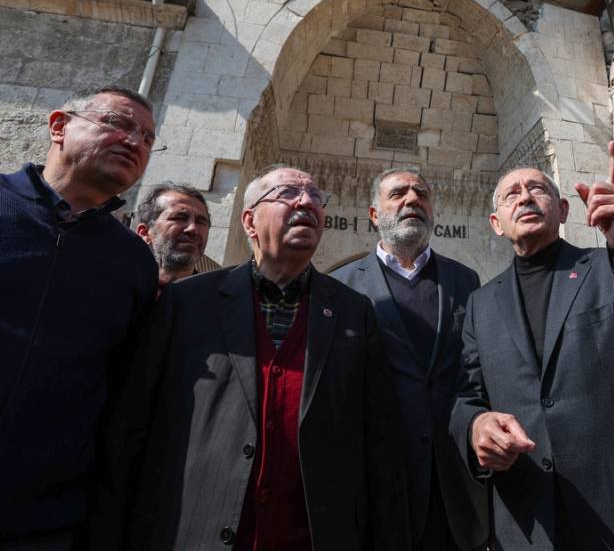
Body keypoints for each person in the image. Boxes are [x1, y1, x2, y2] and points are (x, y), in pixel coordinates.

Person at [95, 164, 411, 551]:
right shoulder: (188, 303)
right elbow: (132, 427)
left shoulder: (353, 312)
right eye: (288, 194)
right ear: (249, 221)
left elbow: (379, 438)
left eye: (315, 196)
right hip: (195, 531)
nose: (306, 202)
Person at [0, 87, 160, 548]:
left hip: (34, 528)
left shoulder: (132, 264)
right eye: (118, 123)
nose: (135, 141)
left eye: (148, 137)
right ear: (59, 125)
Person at [449, 148, 614, 550]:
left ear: (564, 209)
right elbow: (467, 394)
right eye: (511, 194)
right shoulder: (480, 305)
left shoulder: (612, 267)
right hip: (533, 519)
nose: (525, 197)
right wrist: (475, 427)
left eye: (537, 188)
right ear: (496, 224)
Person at [331, 167, 488, 551]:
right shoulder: (342, 286)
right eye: (399, 193)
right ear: (374, 214)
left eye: (422, 194)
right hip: (377, 480)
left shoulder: (465, 280)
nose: (412, 199)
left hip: (450, 483)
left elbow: (475, 368)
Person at [134, 183, 212, 287]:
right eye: (179, 218)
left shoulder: (217, 301)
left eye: (200, 222)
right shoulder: (114, 287)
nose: (193, 228)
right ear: (145, 233)